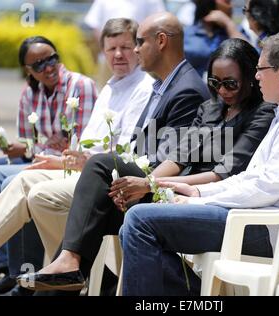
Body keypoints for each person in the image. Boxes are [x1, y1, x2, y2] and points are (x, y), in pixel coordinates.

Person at [119, 33, 279, 296]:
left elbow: (265, 187)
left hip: (265, 228)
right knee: (134, 225)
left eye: (260, 69)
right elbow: (252, 178)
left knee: (139, 220)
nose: (256, 76)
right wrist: (198, 192)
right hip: (250, 217)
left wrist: (199, 201)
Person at [15, 12, 214, 293]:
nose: (133, 50)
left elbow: (176, 161)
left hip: (164, 190)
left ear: (160, 42)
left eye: (139, 42)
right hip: (143, 181)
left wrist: (140, 184)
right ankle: (74, 271)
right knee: (85, 220)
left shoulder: (187, 89)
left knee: (99, 167)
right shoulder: (163, 84)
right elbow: (142, 147)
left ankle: (73, 267)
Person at [0, 19, 150, 295]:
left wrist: (66, 158)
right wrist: (62, 157)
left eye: (126, 47)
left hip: (108, 177)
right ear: (102, 51)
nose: (118, 55)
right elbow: (79, 144)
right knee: (21, 179)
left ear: (139, 49)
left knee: (37, 194)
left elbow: (124, 152)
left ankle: (79, 272)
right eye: (112, 48)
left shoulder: (142, 87)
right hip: (82, 167)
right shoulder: (110, 87)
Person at [0, 36, 96, 295]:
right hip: (39, 158)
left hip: (64, 165)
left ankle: (23, 275)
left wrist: (43, 146)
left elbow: (82, 143)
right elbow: (30, 141)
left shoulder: (81, 86)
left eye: (51, 59)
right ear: (28, 70)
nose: (47, 68)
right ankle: (1, 265)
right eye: (38, 65)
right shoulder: (29, 93)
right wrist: (22, 147)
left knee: (6, 180)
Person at [84, 0, 165, 86]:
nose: (118, 54)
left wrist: (142, 51)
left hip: (139, 58)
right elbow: (95, 26)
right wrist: (108, 50)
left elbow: (158, 26)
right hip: (107, 60)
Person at [183, 0, 234, 77]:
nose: (231, 6)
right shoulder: (186, 34)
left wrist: (228, 23)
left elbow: (250, 55)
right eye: (227, 2)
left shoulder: (231, 33)